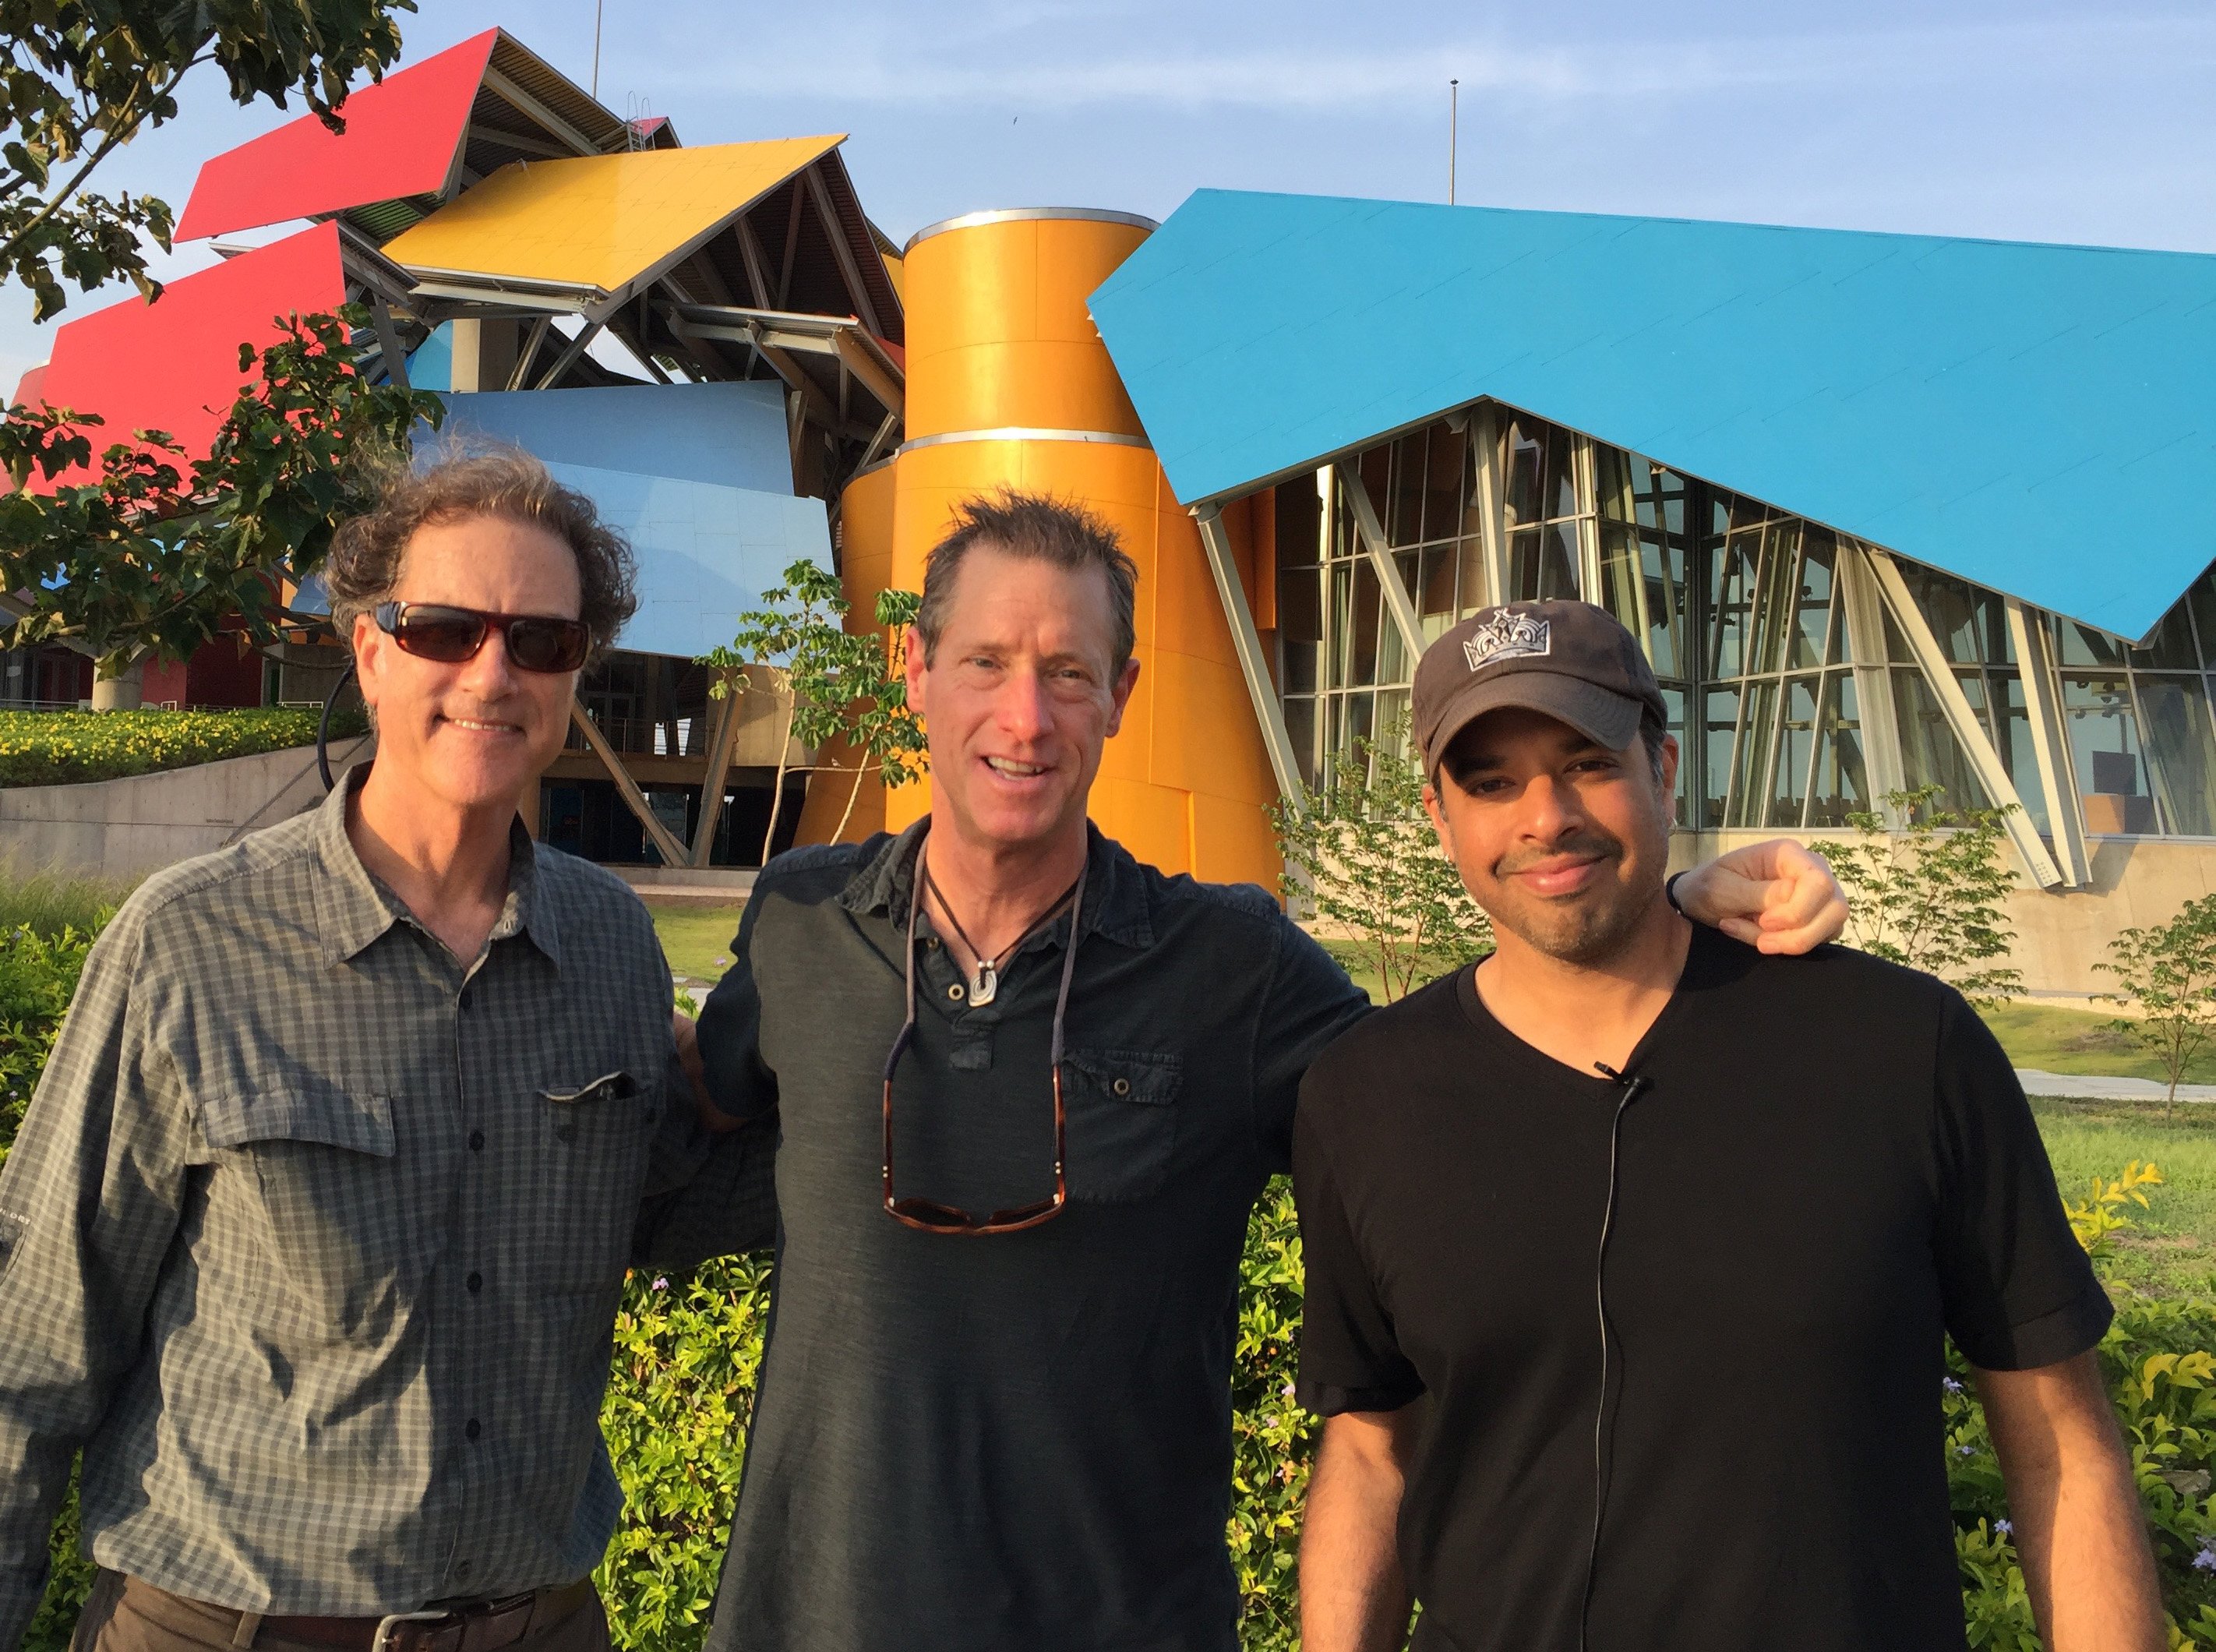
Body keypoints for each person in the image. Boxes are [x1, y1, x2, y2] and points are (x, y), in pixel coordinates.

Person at [689, 492, 1848, 1651]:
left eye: (1070, 674)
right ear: (915, 668)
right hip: (809, 1620)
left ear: (1122, 696)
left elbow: (1467, 1088)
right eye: (986, 662)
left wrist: (1653, 910)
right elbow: (688, 1104)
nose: (1025, 717)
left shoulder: (1230, 968)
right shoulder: (801, 921)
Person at [0, 450, 768, 1652]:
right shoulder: (191, 945)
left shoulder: (611, 947)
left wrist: (841, 1075)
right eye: (444, 630)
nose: (492, 674)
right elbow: (33, 1343)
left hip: (540, 1625)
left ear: (576, 674)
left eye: (542, 642)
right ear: (369, 653)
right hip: (230, 1627)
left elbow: (664, 1206)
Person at [1292, 599, 2165, 1652]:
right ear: (1439, 816)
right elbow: (1371, 1450)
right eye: (1491, 783)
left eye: (1586, 763)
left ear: (1663, 771)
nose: (1544, 817)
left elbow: (2061, 1443)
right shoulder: (1364, 1096)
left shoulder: (1897, 1047)